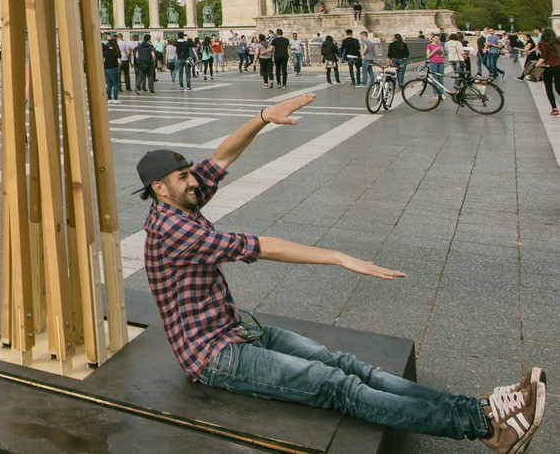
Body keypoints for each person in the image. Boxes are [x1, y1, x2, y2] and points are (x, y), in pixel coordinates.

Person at [138, 95, 547, 452]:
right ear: (160, 188)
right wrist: (337, 256)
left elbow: (222, 157)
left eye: (190, 174)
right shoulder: (173, 229)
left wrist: (263, 117)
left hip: (239, 330)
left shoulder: (181, 200)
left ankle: (478, 407)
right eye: (183, 177)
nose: (194, 181)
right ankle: (486, 428)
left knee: (351, 366)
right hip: (215, 356)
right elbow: (262, 246)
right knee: (338, 386)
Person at [537, 29, 560, 117]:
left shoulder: (543, 44)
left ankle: (554, 108)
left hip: (548, 68)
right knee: (558, 88)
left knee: (549, 88)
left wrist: (536, 66)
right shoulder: (557, 42)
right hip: (558, 67)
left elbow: (543, 57)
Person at [102, 34, 123, 102]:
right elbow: (119, 62)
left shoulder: (106, 51)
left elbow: (103, 60)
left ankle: (109, 98)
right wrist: (119, 68)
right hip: (114, 68)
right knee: (115, 84)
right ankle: (116, 99)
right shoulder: (116, 52)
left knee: (109, 84)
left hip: (106, 68)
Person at [427, 34, 448, 99]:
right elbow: (428, 56)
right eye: (436, 38)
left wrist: (442, 51)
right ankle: (435, 94)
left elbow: (443, 55)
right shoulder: (429, 46)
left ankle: (442, 94)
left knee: (441, 79)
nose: (437, 40)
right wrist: (434, 51)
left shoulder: (440, 45)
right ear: (432, 38)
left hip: (441, 62)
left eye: (438, 38)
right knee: (435, 79)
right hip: (434, 62)